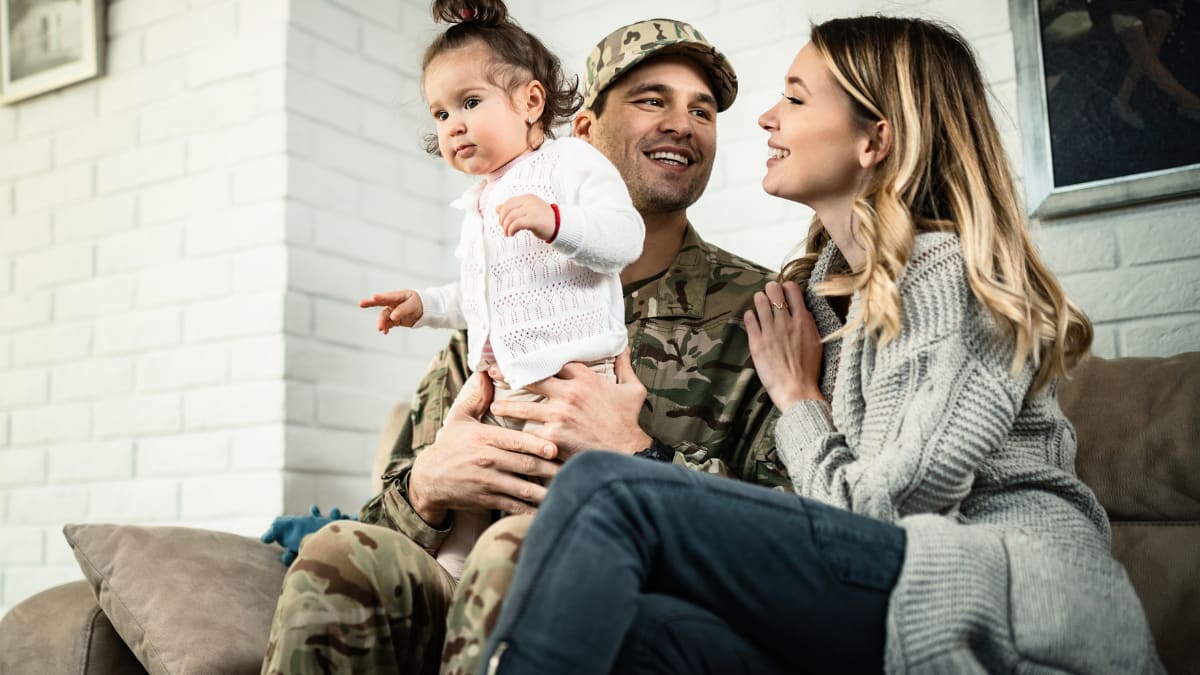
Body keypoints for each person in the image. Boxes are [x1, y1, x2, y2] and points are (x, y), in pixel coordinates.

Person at [479, 15, 1164, 675]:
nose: (766, 117)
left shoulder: (949, 276)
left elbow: (888, 515)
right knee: (643, 634)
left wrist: (800, 401)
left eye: (796, 98)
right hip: (898, 614)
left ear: (874, 139)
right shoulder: (811, 303)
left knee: (608, 490)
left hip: (1018, 615)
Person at [261, 13, 788, 675]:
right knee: (339, 553)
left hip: (635, 606)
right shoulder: (492, 310)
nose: (682, 123)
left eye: (702, 110)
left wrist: (639, 454)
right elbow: (387, 519)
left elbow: (794, 545)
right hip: (461, 580)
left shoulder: (760, 312)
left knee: (519, 552)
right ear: (587, 132)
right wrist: (429, 483)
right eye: (652, 100)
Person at [357, 0, 643, 580]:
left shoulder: (569, 163)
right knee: (474, 490)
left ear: (530, 102)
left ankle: (546, 576)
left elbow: (624, 239)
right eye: (439, 114)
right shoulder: (481, 200)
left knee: (547, 496)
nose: (452, 125)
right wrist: (427, 306)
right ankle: (457, 577)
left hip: (573, 382)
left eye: (469, 102)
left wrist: (556, 221)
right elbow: (481, 293)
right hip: (504, 387)